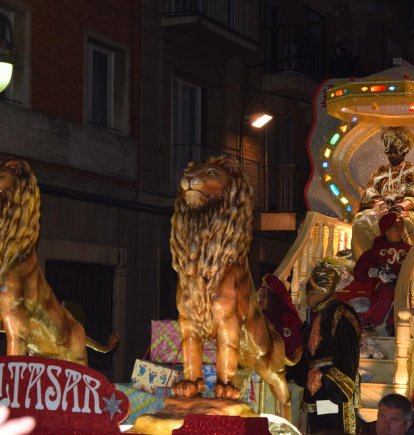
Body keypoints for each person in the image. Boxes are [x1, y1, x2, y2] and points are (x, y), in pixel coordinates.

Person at [288, 261, 361, 434]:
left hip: (333, 389)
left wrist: (332, 384)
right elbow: (311, 356)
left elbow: (346, 351)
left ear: (321, 291)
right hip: (319, 391)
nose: (307, 298)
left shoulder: (340, 313)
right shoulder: (319, 314)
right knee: (320, 428)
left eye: (311, 292)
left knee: (332, 428)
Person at [352, 126, 414, 260]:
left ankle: (406, 267)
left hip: (405, 211)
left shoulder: (412, 171)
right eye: (389, 152)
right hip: (381, 211)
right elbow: (371, 191)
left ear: (404, 150)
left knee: (404, 222)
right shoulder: (380, 172)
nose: (391, 155)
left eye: (394, 152)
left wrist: (402, 206)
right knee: (360, 220)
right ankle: (365, 264)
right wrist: (382, 205)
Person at [352, 212, 411, 336]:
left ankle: (394, 323)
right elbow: (362, 267)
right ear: (387, 231)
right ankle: (371, 321)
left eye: (401, 229)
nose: (400, 232)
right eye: (396, 229)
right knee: (388, 290)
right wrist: (376, 272)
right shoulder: (377, 249)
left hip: (404, 284)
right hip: (383, 285)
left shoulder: (408, 250)